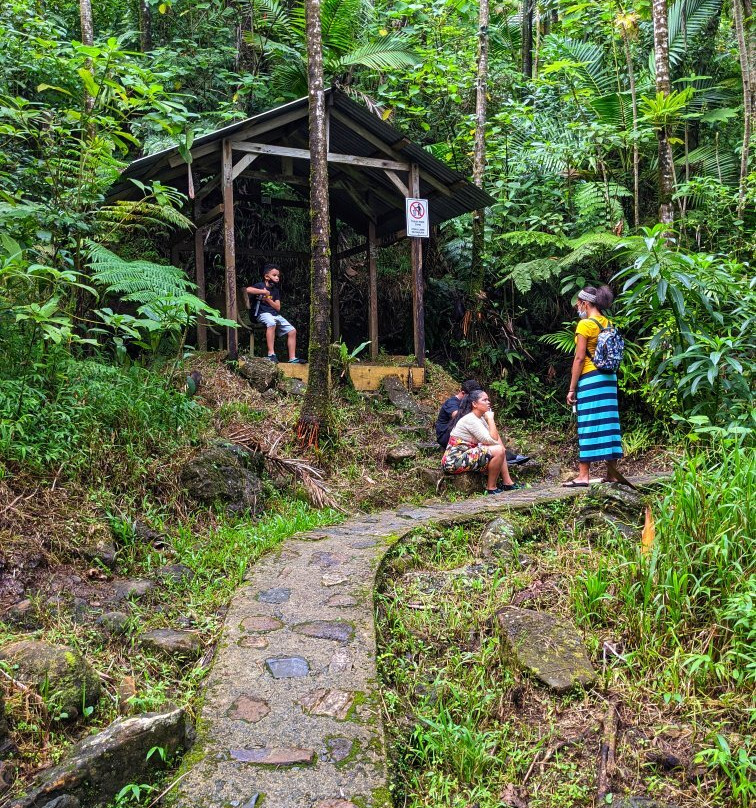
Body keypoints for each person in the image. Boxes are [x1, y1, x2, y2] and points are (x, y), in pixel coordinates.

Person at [564, 285, 623, 487]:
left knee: (587, 423)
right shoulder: (609, 323)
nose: (577, 308)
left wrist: (572, 388)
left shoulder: (585, 325)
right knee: (609, 424)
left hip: (591, 378)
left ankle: (583, 475)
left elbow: (580, 358)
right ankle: (612, 473)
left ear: (586, 304)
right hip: (609, 379)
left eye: (578, 304)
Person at [441, 389, 523, 495]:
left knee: (500, 449)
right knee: (498, 450)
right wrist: (491, 419)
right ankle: (491, 488)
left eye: (488, 400)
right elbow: (492, 440)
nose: (488, 402)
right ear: (474, 404)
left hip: (466, 455)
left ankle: (507, 482)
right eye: (484, 400)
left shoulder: (479, 418)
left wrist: (489, 420)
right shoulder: (471, 419)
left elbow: (495, 438)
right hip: (453, 461)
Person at [435, 380, 531, 465]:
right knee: (481, 427)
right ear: (463, 394)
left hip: (466, 435)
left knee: (487, 427)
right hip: (446, 435)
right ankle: (502, 453)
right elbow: (460, 418)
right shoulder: (451, 403)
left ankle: (503, 452)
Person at [246, 263, 305, 363]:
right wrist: (263, 292)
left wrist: (268, 300)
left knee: (292, 330)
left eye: (278, 276)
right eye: (274, 275)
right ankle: (271, 354)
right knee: (272, 322)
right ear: (266, 276)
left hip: (274, 314)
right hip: (261, 314)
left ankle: (292, 358)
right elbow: (247, 289)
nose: (277, 278)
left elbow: (278, 307)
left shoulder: (276, 291)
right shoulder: (260, 285)